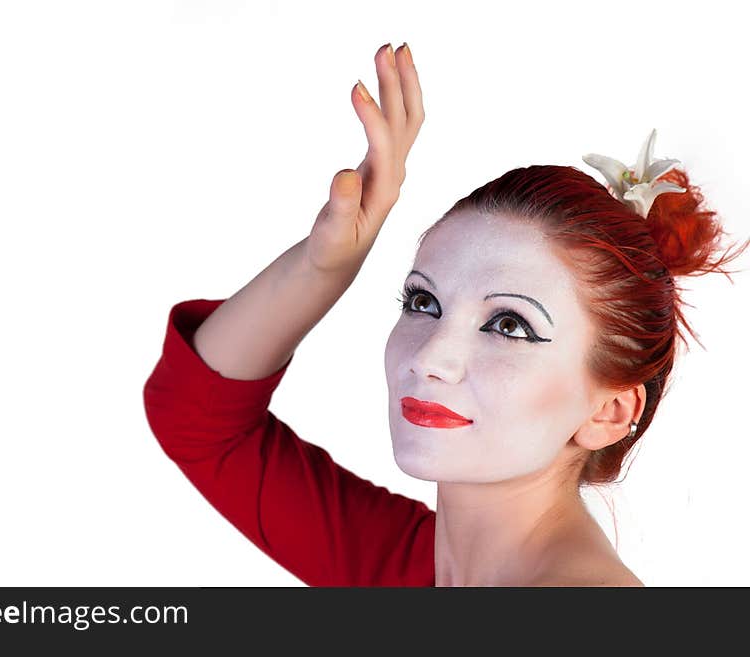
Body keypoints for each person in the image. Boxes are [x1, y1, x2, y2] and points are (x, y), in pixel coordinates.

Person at [142, 42, 748, 586]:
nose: (430, 357)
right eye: (422, 302)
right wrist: (322, 267)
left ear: (610, 412)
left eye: (509, 324)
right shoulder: (409, 565)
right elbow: (199, 420)